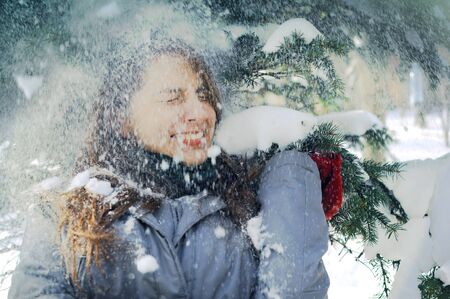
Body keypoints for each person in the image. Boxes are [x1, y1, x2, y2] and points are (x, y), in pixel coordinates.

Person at [8, 38, 330, 298]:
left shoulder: (250, 200)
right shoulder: (64, 215)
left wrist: (292, 175)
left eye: (203, 95)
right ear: (121, 120)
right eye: (172, 98)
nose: (200, 112)